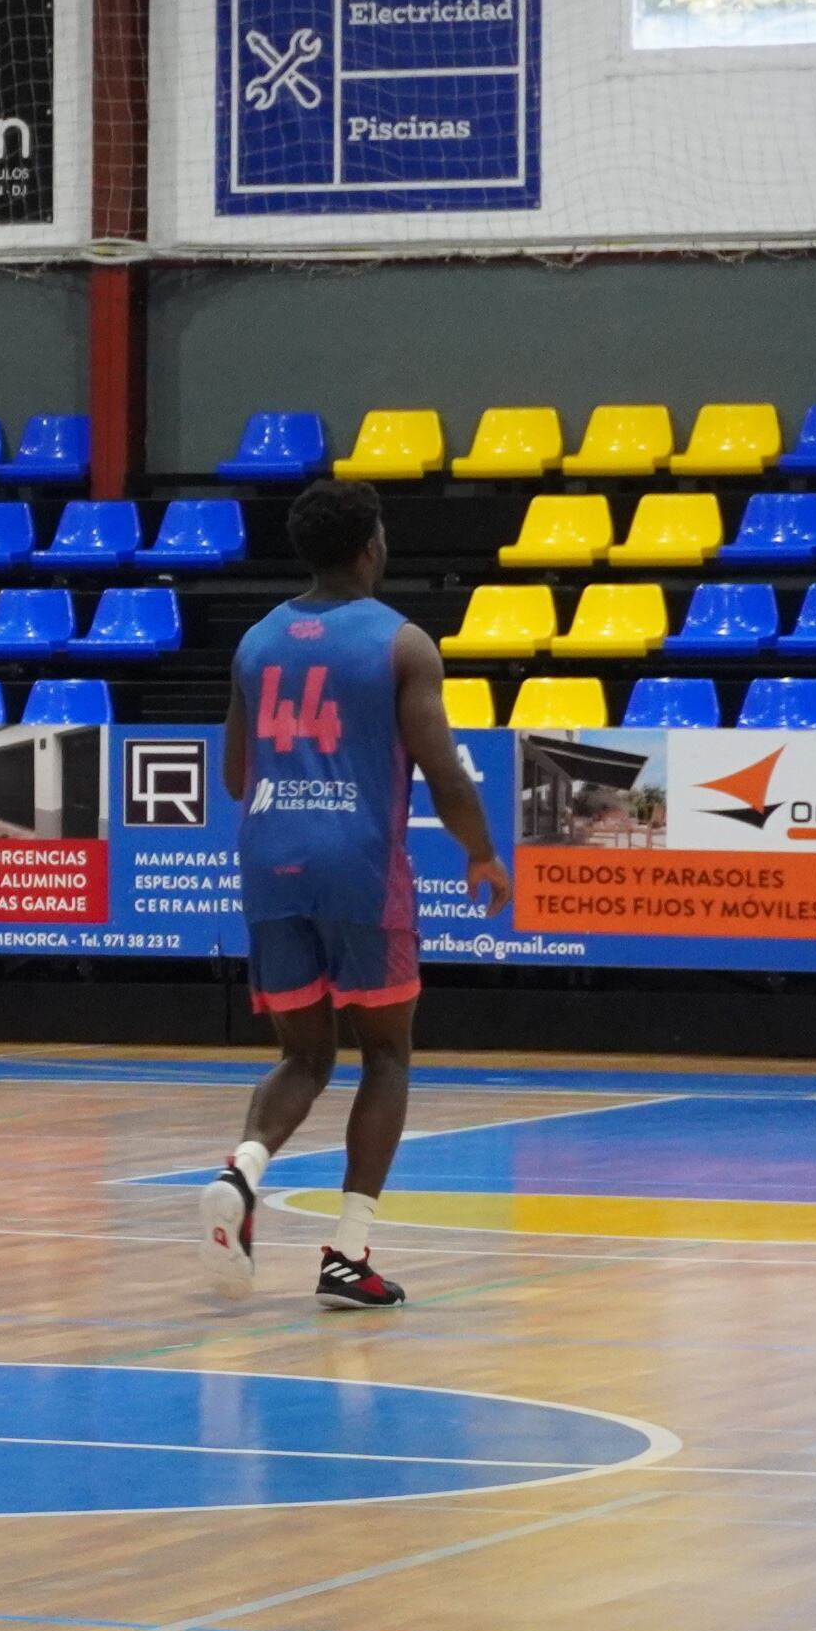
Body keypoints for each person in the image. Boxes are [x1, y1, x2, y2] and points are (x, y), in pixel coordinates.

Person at [197, 478, 505, 1309]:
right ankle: (347, 1252)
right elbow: (443, 771)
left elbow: (236, 775)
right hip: (360, 866)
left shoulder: (257, 642)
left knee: (304, 1055)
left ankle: (243, 1168)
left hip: (268, 857)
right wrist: (482, 852)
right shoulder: (403, 643)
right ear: (372, 545)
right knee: (387, 1052)